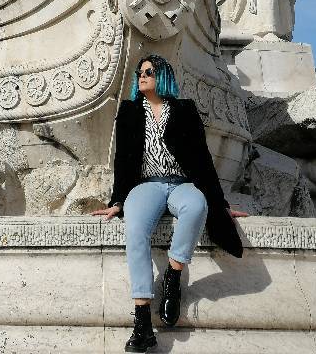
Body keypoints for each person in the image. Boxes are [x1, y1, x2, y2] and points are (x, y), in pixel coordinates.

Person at [93, 55, 246, 352]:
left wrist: (219, 201)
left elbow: (202, 159)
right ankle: (141, 324)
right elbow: (122, 159)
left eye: (149, 72)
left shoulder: (184, 109)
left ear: (162, 76)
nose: (142, 76)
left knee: (197, 206)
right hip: (146, 185)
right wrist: (117, 200)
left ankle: (173, 278)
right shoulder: (129, 111)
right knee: (135, 229)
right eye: (140, 72)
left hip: (180, 183)